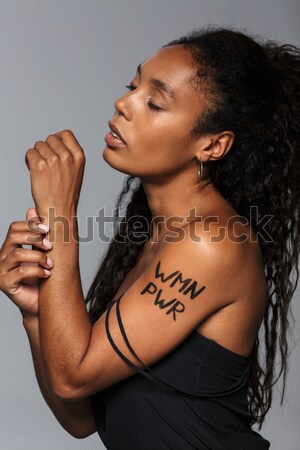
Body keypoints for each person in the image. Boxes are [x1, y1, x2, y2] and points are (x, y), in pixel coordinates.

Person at [0, 25, 299, 450]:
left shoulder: (212, 243)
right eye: (132, 86)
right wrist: (36, 314)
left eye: (154, 102)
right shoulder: (156, 235)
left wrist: (59, 215)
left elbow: (71, 378)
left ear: (213, 145)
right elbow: (82, 417)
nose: (124, 103)